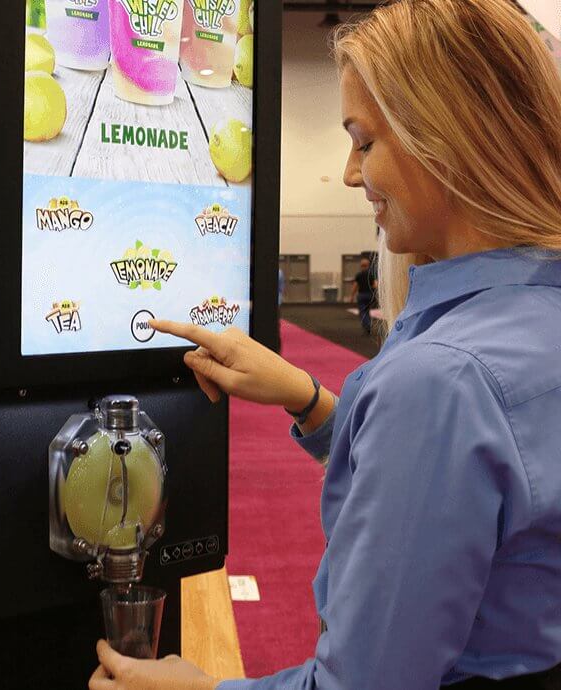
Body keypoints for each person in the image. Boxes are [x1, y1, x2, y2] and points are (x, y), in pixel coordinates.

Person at [88, 0, 561, 688]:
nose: (347, 175)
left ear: (452, 139)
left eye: (365, 142)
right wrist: (310, 402)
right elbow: (485, 493)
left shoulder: (443, 382)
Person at [348, 256, 377, 334]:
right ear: (368, 265)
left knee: (362, 311)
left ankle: (367, 325)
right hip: (370, 295)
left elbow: (355, 286)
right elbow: (375, 285)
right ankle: (368, 324)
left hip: (361, 295)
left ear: (361, 266)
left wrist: (351, 296)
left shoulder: (359, 275)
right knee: (367, 311)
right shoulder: (371, 275)